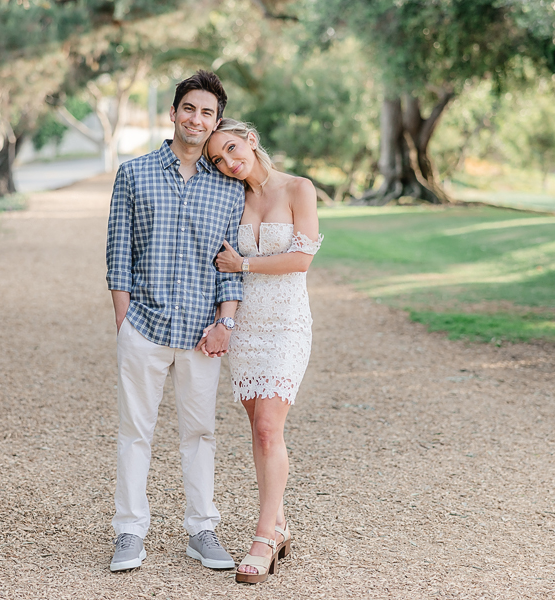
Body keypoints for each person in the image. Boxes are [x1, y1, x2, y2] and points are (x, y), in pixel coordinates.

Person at [105, 71, 245, 573]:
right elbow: (118, 255)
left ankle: (201, 529)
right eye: (189, 108)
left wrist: (225, 323)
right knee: (134, 432)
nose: (196, 118)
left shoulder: (229, 189)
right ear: (173, 112)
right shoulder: (134, 174)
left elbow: (230, 266)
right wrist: (125, 325)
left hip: (202, 335)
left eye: (207, 112)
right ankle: (128, 532)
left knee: (200, 433)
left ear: (216, 122)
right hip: (143, 326)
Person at [203, 118, 323, 584]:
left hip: (287, 323)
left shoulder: (299, 188)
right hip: (246, 326)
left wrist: (245, 261)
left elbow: (303, 258)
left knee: (270, 429)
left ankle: (263, 538)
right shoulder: (231, 198)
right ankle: (281, 523)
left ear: (251, 140)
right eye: (219, 159)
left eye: (233, 149)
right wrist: (225, 321)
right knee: (260, 431)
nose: (230, 163)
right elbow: (222, 267)